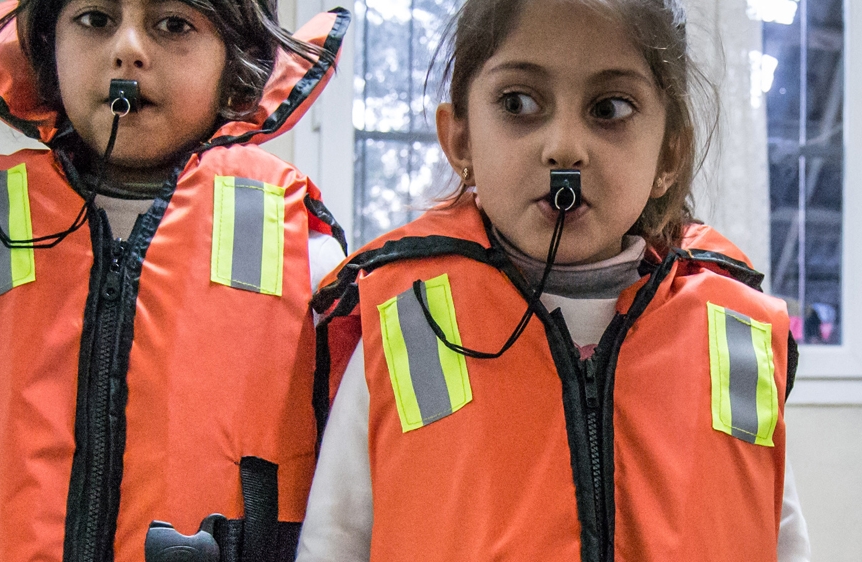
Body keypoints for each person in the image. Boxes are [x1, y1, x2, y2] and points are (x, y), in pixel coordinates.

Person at [296, 0, 811, 560]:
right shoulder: (404, 325)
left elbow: (778, 537)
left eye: (610, 108)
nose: (564, 147)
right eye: (519, 103)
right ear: (461, 140)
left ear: (669, 153)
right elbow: (335, 541)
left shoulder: (734, 341)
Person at [0, 0, 350, 560]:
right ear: (47, 48)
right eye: (95, 19)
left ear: (238, 67)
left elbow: (343, 514)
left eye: (174, 24)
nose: (128, 48)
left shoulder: (304, 254)